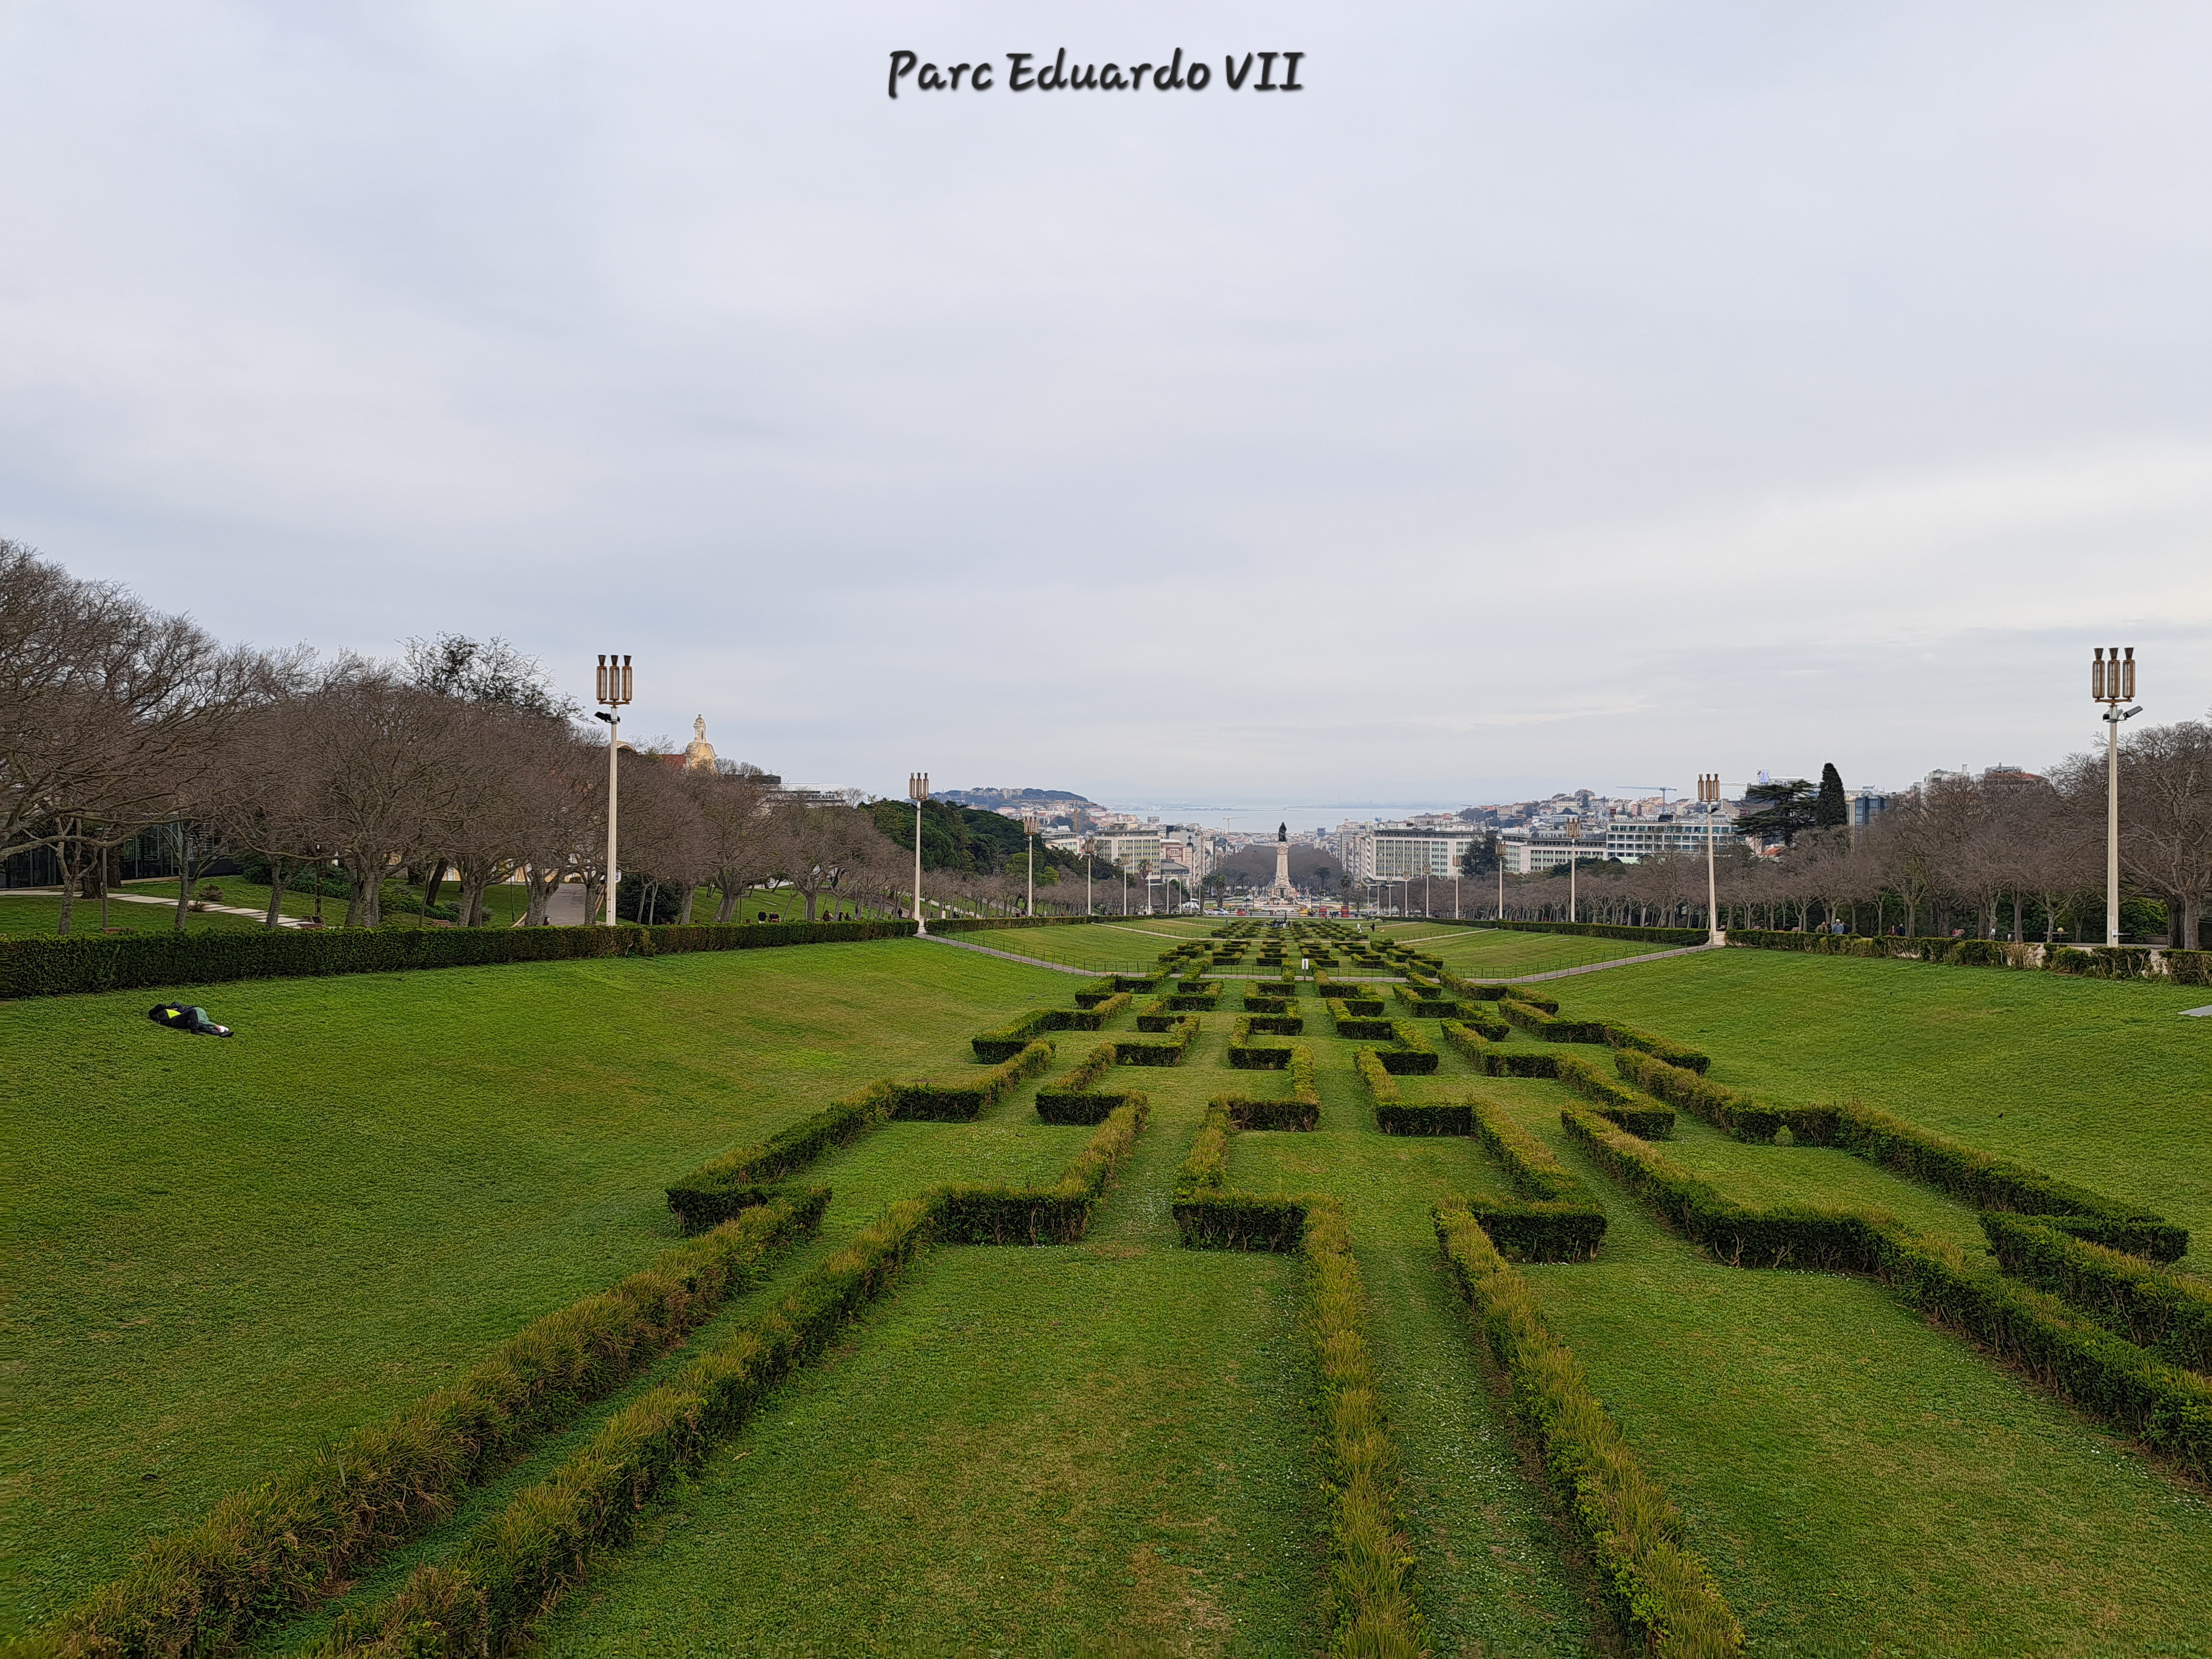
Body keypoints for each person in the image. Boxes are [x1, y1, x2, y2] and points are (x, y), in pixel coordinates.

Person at [148, 1003, 232, 1038]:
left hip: (179, 1020)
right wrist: (167, 1007)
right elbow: (158, 1008)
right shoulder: (158, 1013)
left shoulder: (177, 1010)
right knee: (193, 1011)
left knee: (198, 1023)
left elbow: (178, 1005)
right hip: (173, 1021)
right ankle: (194, 1030)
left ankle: (220, 1033)